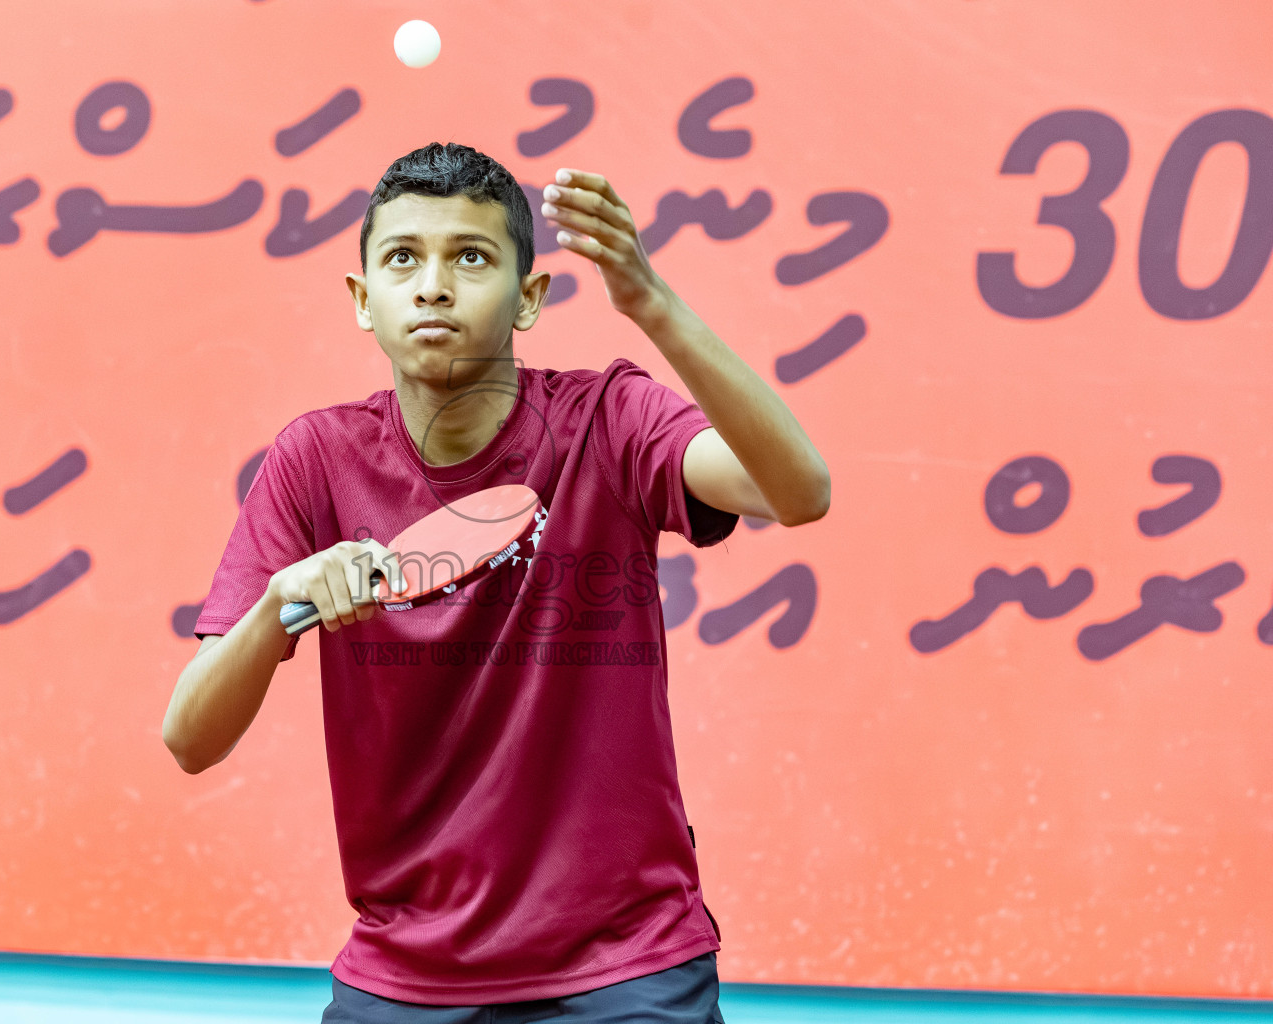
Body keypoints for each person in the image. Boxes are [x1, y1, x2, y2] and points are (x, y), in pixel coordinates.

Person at [162, 143, 829, 1022]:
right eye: (403, 258)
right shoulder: (315, 460)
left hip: (624, 969)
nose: (434, 287)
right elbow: (189, 738)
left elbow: (798, 492)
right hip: (405, 973)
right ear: (363, 299)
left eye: (471, 257)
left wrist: (650, 303)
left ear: (530, 296)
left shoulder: (610, 419)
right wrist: (280, 605)